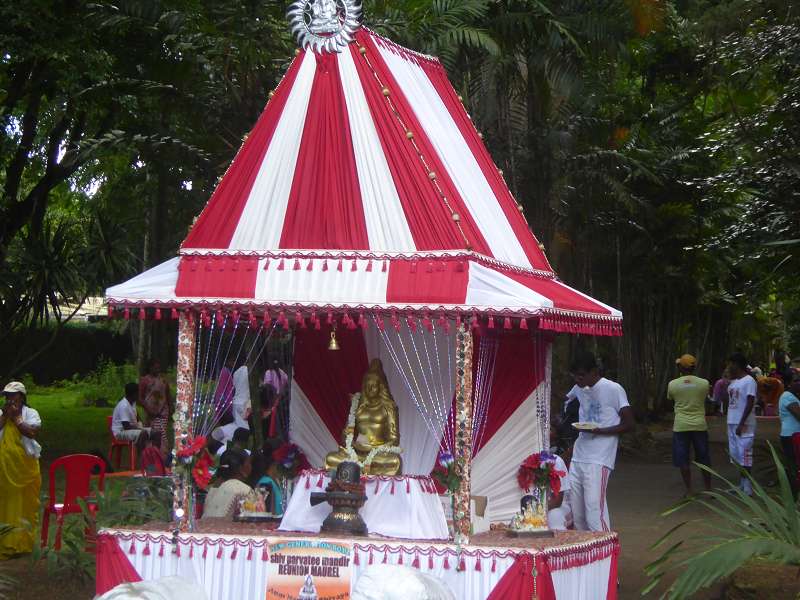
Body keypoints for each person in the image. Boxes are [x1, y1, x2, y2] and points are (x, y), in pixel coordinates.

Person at [568, 352, 634, 532]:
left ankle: (605, 553)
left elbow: (629, 423)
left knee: (594, 511)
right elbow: (568, 401)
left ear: (594, 372)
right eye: (575, 376)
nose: (578, 380)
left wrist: (600, 431)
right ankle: (584, 556)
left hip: (599, 457)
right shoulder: (579, 388)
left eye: (582, 375)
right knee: (578, 514)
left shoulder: (613, 389)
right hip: (579, 454)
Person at [0, 381, 42, 558]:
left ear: (22, 397)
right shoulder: (1, 413)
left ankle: (24, 543)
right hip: (5, 469)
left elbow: (32, 433)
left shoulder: (30, 413)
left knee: (27, 504)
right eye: (7, 396)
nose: (9, 399)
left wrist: (17, 418)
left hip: (26, 469)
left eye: (13, 395)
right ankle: (6, 543)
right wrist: (4, 417)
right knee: (7, 504)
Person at [668, 354, 712, 495]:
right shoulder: (704, 383)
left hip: (681, 426)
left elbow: (671, 398)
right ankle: (708, 489)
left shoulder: (673, 384)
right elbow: (705, 397)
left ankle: (689, 490)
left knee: (683, 459)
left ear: (681, 367)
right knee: (704, 458)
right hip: (699, 425)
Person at [727, 353, 757, 495]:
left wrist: (741, 422)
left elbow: (750, 402)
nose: (729, 367)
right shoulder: (733, 381)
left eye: (731, 364)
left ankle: (748, 487)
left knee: (745, 454)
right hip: (732, 421)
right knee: (736, 455)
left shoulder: (749, 380)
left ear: (737, 364)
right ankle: (742, 484)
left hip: (743, 423)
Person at [202, 448, 253, 519]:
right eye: (249, 462)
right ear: (241, 468)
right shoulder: (245, 490)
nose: (251, 466)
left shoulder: (212, 489)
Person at [212, 361, 252, 445]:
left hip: (235, 401)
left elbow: (234, 386)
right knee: (244, 428)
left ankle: (224, 432)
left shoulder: (237, 372)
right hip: (245, 402)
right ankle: (230, 439)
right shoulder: (250, 371)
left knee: (237, 424)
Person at [139, 359, 172, 455]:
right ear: (150, 368)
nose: (157, 370)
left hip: (163, 411)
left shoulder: (163, 380)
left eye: (158, 368)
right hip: (149, 412)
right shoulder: (145, 380)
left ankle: (162, 454)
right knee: (150, 432)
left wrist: (171, 409)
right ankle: (150, 454)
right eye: (155, 368)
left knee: (161, 432)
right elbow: (140, 398)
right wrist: (148, 409)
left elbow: (168, 395)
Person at [778, 371, 800, 497]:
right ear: (788, 383)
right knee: (793, 466)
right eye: (795, 381)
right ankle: (792, 495)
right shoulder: (788, 397)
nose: (798, 383)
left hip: (794, 435)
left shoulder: (793, 396)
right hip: (791, 436)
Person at [547, 424, 572, 530]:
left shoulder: (555, 460)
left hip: (557, 506)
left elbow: (557, 501)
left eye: (551, 429)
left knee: (554, 516)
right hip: (529, 507)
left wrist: (536, 512)